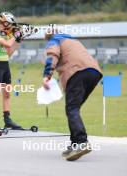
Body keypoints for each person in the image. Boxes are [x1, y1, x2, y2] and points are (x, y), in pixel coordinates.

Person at [42, 28, 102, 161]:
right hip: (94, 73)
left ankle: (81, 142)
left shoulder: (55, 40)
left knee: (71, 109)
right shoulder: (73, 40)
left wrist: (47, 75)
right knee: (73, 109)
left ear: (49, 37)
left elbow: (52, 55)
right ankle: (74, 144)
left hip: (77, 72)